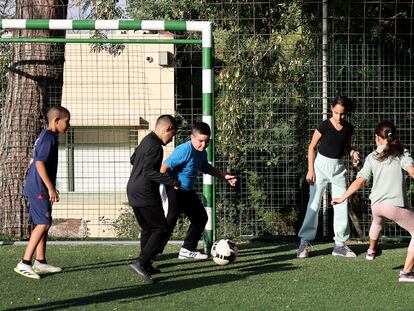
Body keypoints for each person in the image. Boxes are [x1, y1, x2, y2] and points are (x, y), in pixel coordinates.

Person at [332, 121, 414, 282]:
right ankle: (406, 273)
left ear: (377, 139)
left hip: (376, 205)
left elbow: (360, 181)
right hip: (394, 206)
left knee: (377, 223)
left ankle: (371, 250)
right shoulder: (401, 153)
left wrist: (342, 197)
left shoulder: (372, 157)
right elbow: (411, 170)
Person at [161, 122, 237, 259]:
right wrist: (163, 186)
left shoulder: (202, 153)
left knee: (201, 218)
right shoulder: (184, 150)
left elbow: (206, 167)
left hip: (187, 191)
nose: (203, 145)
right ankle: (152, 251)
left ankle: (187, 249)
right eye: (200, 141)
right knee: (169, 221)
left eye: (206, 142)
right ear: (192, 137)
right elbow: (164, 167)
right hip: (173, 189)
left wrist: (225, 176)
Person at [297, 96, 361, 258]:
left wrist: (353, 152)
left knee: (342, 204)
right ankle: (304, 242)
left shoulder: (348, 129)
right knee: (314, 203)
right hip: (320, 167)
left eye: (343, 114)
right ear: (332, 109)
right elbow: (311, 147)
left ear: (346, 113)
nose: (339, 117)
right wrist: (310, 170)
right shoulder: (324, 126)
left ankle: (340, 245)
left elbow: (346, 148)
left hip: (339, 168)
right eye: (336, 113)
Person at [14, 106, 71, 279]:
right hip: (39, 188)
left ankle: (40, 261)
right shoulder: (48, 138)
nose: (68, 125)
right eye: (66, 121)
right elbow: (39, 163)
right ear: (56, 121)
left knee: (44, 222)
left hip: (38, 187)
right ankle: (24, 263)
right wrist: (50, 188)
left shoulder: (47, 136)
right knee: (44, 223)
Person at [126, 115, 179, 283]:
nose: (170, 141)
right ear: (167, 128)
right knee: (161, 229)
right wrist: (172, 181)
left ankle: (146, 264)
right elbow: (149, 172)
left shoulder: (146, 140)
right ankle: (141, 263)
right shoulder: (156, 146)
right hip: (145, 192)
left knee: (148, 229)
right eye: (172, 136)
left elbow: (133, 159)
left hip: (133, 189)